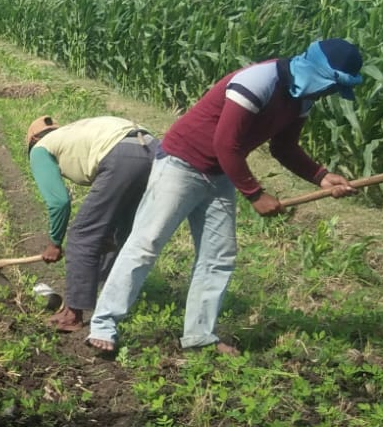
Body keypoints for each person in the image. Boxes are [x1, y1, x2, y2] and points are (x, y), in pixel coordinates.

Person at [87, 39, 365, 355]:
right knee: (146, 244)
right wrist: (255, 194)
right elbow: (225, 143)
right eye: (330, 87)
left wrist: (321, 176)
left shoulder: (302, 98)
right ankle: (104, 324)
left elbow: (283, 147)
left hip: (219, 174)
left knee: (218, 256)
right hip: (181, 163)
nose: (327, 94)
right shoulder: (258, 81)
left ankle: (199, 335)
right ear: (317, 73)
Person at [26, 114, 158, 333]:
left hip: (121, 154)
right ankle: (108, 299)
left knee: (81, 235)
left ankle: (72, 314)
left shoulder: (40, 149)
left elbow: (59, 202)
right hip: (153, 149)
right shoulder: (74, 133)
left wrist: (55, 243)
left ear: (32, 141)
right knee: (115, 234)